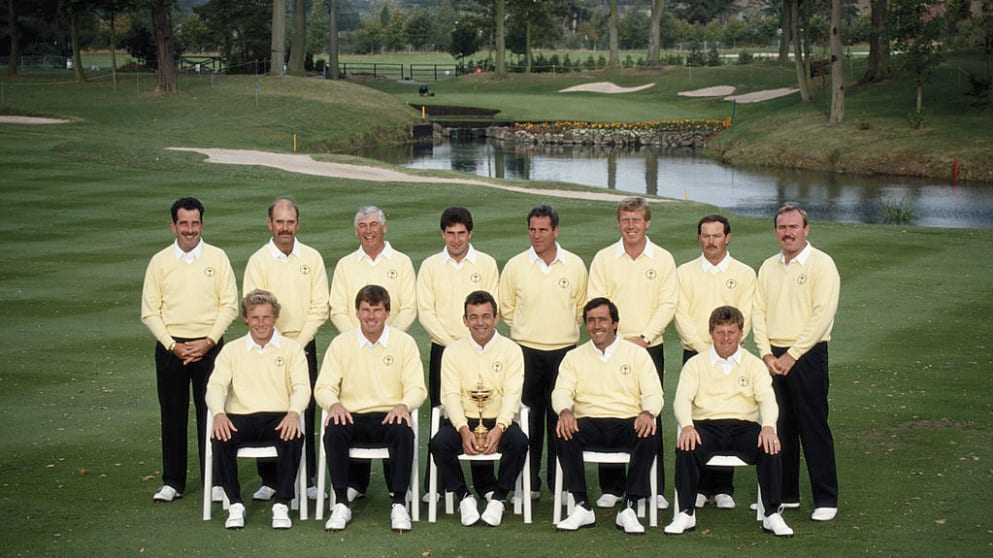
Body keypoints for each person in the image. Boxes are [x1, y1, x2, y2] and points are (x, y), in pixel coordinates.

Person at [141, 197, 238, 503]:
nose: (190, 229)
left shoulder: (217, 258)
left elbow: (229, 305)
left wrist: (208, 341)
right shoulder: (159, 262)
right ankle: (173, 481)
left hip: (209, 347)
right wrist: (173, 345)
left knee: (212, 414)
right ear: (173, 225)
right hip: (172, 349)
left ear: (202, 225)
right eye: (183, 223)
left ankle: (217, 481)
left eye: (195, 223)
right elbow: (150, 311)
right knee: (173, 415)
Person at [664, 305, 792, 537]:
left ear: (741, 333)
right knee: (686, 444)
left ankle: (772, 514)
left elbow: (767, 400)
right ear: (711, 333)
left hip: (743, 427)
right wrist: (687, 425)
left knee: (770, 445)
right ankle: (685, 513)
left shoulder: (754, 364)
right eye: (720, 332)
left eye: (731, 332)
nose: (725, 338)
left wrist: (769, 427)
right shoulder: (695, 364)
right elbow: (681, 399)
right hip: (706, 426)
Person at [586, 196, 676, 510]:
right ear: (619, 223)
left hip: (650, 347)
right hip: (611, 348)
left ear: (647, 222)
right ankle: (612, 486)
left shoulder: (662, 259)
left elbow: (668, 304)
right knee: (611, 410)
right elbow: (597, 304)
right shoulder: (603, 258)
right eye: (625, 220)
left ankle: (655, 487)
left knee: (650, 412)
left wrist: (645, 337)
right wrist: (619, 341)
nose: (631, 226)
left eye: (636, 220)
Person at [753, 204, 841, 522]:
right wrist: (766, 353)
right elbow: (757, 313)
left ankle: (826, 498)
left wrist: (793, 355)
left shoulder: (822, 264)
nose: (787, 233)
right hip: (773, 357)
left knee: (813, 426)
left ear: (806, 229)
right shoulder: (768, 266)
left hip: (807, 355)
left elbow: (822, 315)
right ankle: (785, 494)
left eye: (793, 227)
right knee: (779, 427)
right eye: (782, 227)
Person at [314, 285, 427, 532]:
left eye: (377, 310)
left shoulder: (404, 343)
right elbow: (323, 386)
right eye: (365, 310)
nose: (371, 316)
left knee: (402, 430)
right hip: (352, 415)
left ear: (387, 312)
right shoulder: (341, 343)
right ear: (357, 312)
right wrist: (333, 404)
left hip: (389, 415)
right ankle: (341, 502)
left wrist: (403, 405)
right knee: (333, 430)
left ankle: (398, 502)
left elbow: (417, 387)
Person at [552, 298, 663, 534]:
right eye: (591, 321)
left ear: (615, 323)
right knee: (563, 431)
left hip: (626, 421)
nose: (597, 325)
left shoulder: (637, 355)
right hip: (589, 422)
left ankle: (630, 506)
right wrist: (565, 410)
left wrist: (647, 412)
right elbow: (561, 391)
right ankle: (582, 506)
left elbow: (654, 393)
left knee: (650, 433)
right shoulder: (574, 357)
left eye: (602, 320)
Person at [328, 205, 417, 500]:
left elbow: (407, 307)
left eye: (374, 224)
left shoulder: (401, 262)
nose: (369, 230)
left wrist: (388, 337)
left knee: (393, 413)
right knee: (351, 411)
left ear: (384, 228)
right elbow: (339, 308)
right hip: (354, 345)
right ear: (356, 231)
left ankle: (397, 492)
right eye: (363, 225)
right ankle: (353, 487)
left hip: (391, 344)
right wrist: (357, 338)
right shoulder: (345, 265)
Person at [243, 197, 329, 502]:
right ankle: (270, 479)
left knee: (303, 409)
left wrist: (298, 342)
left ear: (298, 224)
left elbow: (320, 306)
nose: (285, 228)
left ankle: (306, 478)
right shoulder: (258, 261)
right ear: (270, 224)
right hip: (267, 344)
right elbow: (254, 306)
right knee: (267, 407)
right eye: (279, 222)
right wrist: (276, 342)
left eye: (290, 222)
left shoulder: (313, 258)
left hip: (302, 344)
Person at [498, 204, 587, 498]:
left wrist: (558, 329)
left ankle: (559, 483)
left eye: (543, 230)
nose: (537, 236)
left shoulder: (574, 265)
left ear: (556, 230)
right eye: (533, 229)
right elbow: (507, 309)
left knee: (560, 418)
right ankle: (529, 483)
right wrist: (528, 329)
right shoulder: (515, 266)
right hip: (526, 351)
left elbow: (581, 308)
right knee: (528, 420)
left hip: (564, 352)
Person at [205, 290, 310, 530]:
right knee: (220, 436)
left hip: (279, 415)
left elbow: (302, 387)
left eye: (266, 317)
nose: (261, 323)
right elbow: (216, 385)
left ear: (274, 318)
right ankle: (235, 504)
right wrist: (219, 413)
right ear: (246, 319)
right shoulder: (232, 349)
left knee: (293, 437)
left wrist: (294, 412)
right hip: (241, 416)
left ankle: (282, 503)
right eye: (255, 317)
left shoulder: (291, 349)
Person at [673, 214, 756, 510]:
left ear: (727, 237)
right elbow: (680, 314)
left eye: (716, 235)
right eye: (706, 236)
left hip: (731, 355)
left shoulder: (745, 273)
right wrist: (702, 349)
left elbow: (744, 313)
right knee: (698, 414)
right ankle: (699, 487)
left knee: (728, 410)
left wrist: (724, 347)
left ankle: (723, 487)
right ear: (699, 238)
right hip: (695, 354)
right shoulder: (684, 272)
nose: (711, 241)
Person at [417, 207, 501, 499]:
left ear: (470, 233)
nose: (455, 239)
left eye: (461, 233)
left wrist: (470, 341)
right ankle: (439, 485)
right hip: (444, 349)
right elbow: (425, 311)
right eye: (450, 233)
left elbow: (491, 305)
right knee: (443, 414)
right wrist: (453, 343)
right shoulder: (430, 266)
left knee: (481, 410)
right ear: (443, 234)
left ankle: (485, 483)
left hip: (481, 350)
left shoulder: (487, 263)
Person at [428, 290, 528, 527]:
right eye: (473, 317)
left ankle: (500, 498)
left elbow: (513, 393)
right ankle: (464, 497)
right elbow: (450, 395)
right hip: (464, 421)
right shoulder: (452, 351)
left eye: (485, 316)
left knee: (519, 442)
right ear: (465, 320)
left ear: (496, 317)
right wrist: (463, 429)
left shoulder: (511, 350)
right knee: (439, 444)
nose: (480, 322)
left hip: (499, 421)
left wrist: (500, 427)